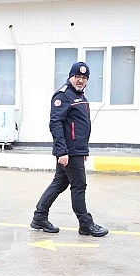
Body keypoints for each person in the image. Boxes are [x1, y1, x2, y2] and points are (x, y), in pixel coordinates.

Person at [30, 62, 108, 237]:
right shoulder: (63, 96)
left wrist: (84, 149)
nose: (80, 80)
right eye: (77, 77)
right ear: (71, 76)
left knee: (60, 182)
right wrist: (61, 151)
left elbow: (80, 126)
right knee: (79, 185)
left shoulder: (79, 96)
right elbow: (55, 123)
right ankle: (85, 224)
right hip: (69, 151)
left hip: (76, 149)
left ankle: (39, 216)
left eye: (84, 78)